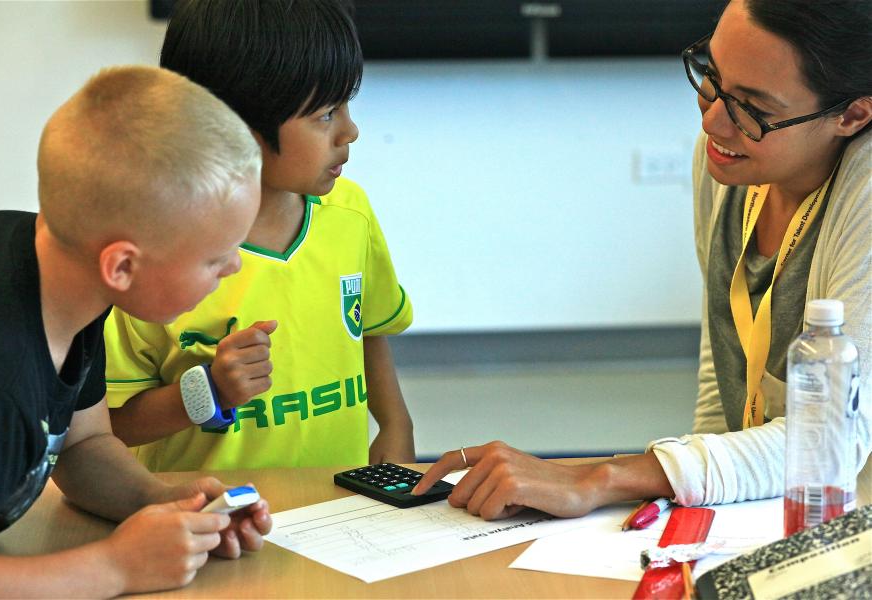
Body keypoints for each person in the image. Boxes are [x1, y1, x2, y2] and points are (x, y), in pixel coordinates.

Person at [414, 0, 872, 520]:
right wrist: (690, 515)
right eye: (712, 76)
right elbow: (722, 358)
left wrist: (604, 476)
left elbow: (834, 439)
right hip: (763, 505)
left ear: (852, 114)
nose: (714, 121)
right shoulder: (732, 159)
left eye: (753, 108)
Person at [0, 66, 272, 596]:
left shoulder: (58, 267)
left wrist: (161, 507)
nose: (234, 269)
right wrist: (116, 567)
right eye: (216, 257)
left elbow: (80, 443)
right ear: (123, 267)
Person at [103, 0, 415, 472]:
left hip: (340, 508)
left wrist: (394, 425)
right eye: (326, 113)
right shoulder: (151, 251)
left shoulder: (350, 211)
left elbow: (367, 330)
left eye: (346, 104)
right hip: (211, 522)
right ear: (233, 125)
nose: (350, 130)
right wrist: (206, 390)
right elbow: (107, 426)